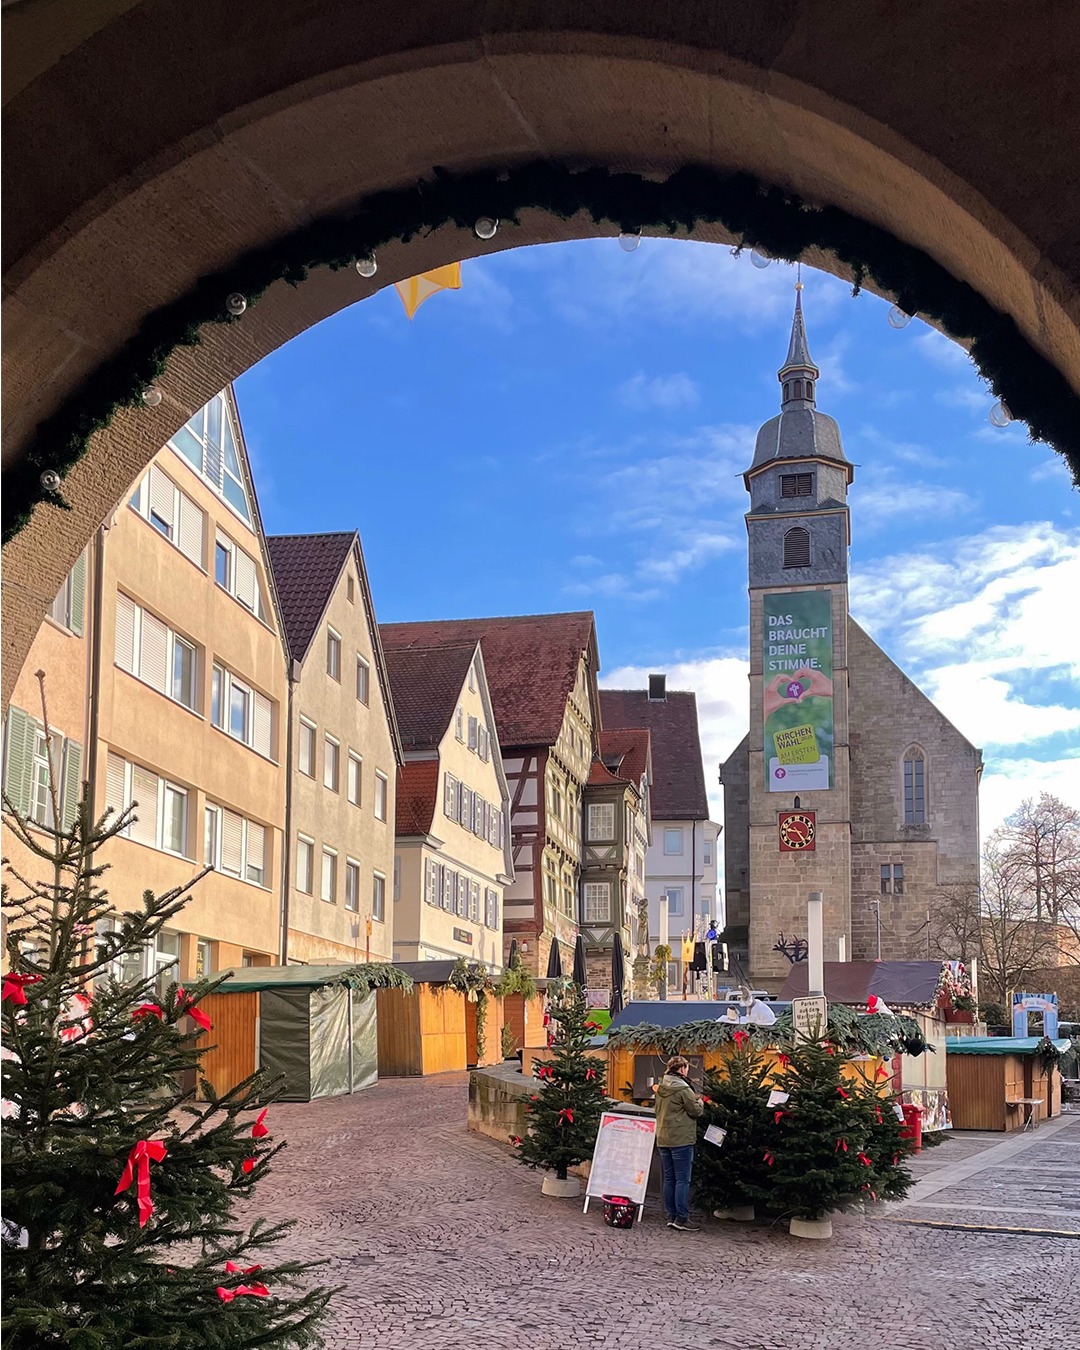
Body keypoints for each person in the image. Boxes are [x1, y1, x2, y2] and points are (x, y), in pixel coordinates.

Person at [653, 1054, 704, 1231]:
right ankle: (681, 1218)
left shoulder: (661, 1087)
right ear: (682, 1069)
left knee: (669, 1178)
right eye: (687, 1068)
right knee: (682, 1179)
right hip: (681, 1139)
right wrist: (700, 1101)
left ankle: (671, 1215)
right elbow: (696, 1110)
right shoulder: (683, 1089)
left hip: (663, 1138)